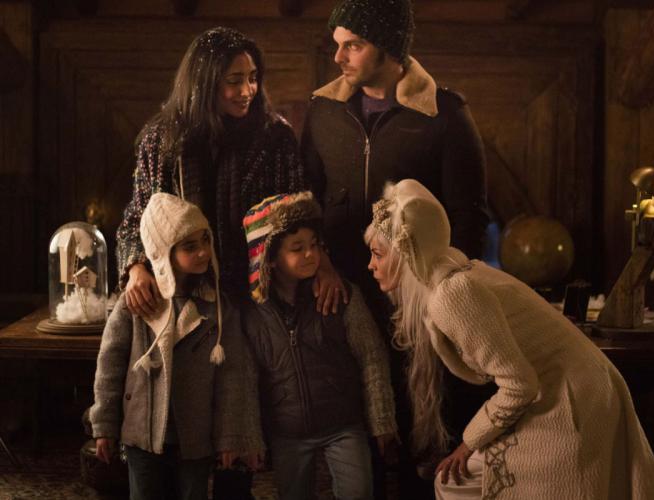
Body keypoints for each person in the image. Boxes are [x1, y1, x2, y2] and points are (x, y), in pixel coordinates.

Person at [364, 179, 654, 500]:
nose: (371, 265)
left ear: (405, 255)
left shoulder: (452, 295)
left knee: (453, 484)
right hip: (568, 388)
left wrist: (467, 444)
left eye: (378, 254)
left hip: (574, 399)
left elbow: (518, 385)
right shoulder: (456, 273)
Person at [302, 1, 491, 494]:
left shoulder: (444, 114)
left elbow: (469, 218)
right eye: (337, 44)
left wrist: (437, 291)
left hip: (420, 299)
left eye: (353, 45)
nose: (338, 57)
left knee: (420, 430)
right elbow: (307, 200)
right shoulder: (323, 110)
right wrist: (321, 264)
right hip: (342, 290)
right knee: (355, 427)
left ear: (389, 48)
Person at [116, 26, 344, 317]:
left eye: (252, 78)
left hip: (259, 297)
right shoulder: (162, 140)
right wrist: (135, 267)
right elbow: (137, 218)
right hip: (184, 294)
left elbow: (300, 216)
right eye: (234, 81)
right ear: (205, 83)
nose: (247, 91)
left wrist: (322, 263)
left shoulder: (275, 137)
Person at [90, 193, 262, 500]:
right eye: (189, 246)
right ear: (163, 252)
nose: (203, 252)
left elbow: (233, 376)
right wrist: (104, 425)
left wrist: (230, 436)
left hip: (196, 438)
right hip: (142, 435)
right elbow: (109, 366)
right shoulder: (135, 303)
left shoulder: (219, 307)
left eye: (205, 240)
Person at [241, 192, 398, 500]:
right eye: (297, 248)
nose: (311, 254)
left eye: (314, 245)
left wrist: (382, 420)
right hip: (287, 432)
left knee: (358, 491)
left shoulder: (340, 294)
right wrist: (250, 438)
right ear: (269, 256)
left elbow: (372, 356)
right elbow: (245, 379)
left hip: (343, 424)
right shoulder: (254, 315)